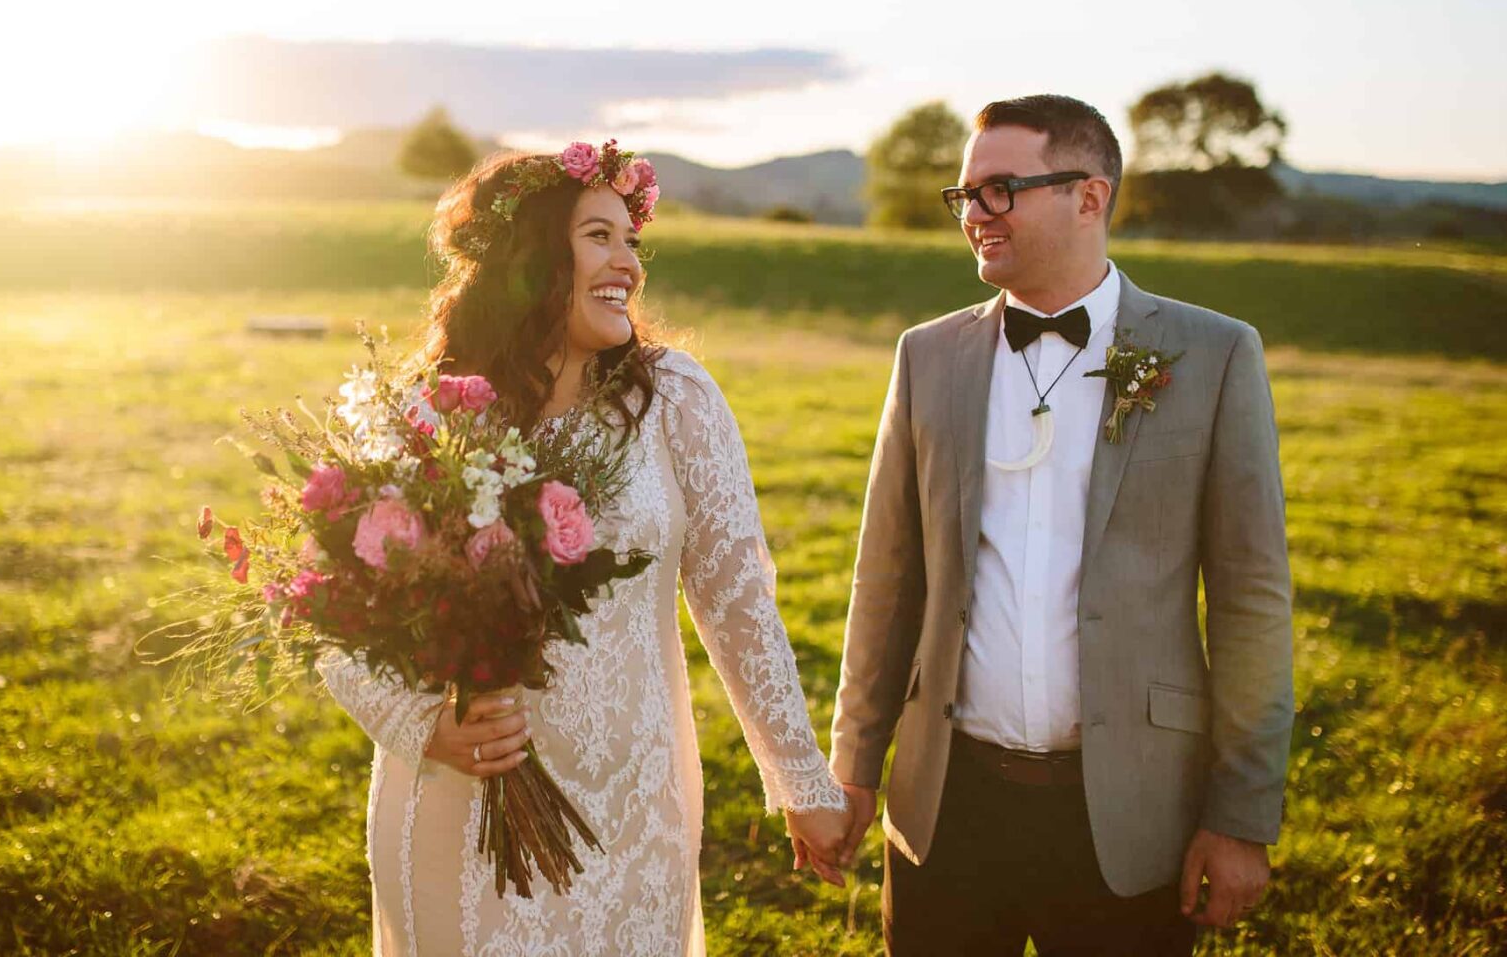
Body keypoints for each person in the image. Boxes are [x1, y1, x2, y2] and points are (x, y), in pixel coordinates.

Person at [316, 142, 851, 955]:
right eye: (599, 236)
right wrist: (423, 724)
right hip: (459, 795)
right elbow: (330, 609)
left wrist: (803, 784)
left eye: (633, 241)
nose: (629, 264)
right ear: (529, 257)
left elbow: (740, 604)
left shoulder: (675, 399)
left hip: (632, 809)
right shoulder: (425, 415)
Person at [829, 95, 1295, 955]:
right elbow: (886, 579)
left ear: (1090, 196)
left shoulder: (1213, 354)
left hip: (1130, 814)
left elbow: (1251, 601)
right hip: (949, 808)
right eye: (964, 194)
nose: (973, 215)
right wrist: (854, 767)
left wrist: (1241, 817)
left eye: (999, 189)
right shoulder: (927, 356)